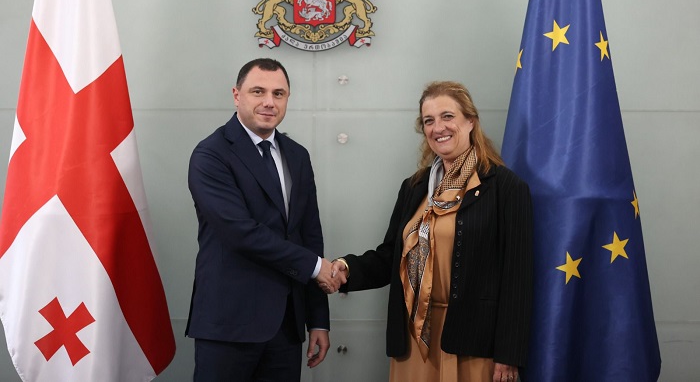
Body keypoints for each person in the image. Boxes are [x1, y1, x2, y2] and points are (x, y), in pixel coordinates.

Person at [330, 81, 533, 382]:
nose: (438, 127)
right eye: (429, 120)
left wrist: (509, 355)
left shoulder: (505, 188)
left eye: (447, 116)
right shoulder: (414, 187)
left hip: (474, 344)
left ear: (471, 121)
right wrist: (346, 269)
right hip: (414, 340)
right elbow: (390, 257)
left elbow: (517, 278)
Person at [186, 58, 345, 381]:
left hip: (286, 327)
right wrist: (316, 267)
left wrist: (317, 319)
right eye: (258, 91)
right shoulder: (211, 155)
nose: (269, 102)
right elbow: (241, 233)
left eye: (278, 93)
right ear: (237, 95)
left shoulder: (297, 156)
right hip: (229, 325)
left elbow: (309, 236)